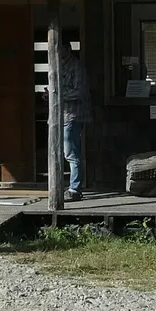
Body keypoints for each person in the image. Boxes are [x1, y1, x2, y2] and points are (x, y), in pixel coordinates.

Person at [59, 29, 88, 200]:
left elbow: (79, 92)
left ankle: (75, 189)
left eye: (60, 48)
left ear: (67, 48)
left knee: (71, 153)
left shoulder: (76, 66)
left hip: (72, 115)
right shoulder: (59, 65)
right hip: (59, 115)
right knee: (62, 153)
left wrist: (59, 93)